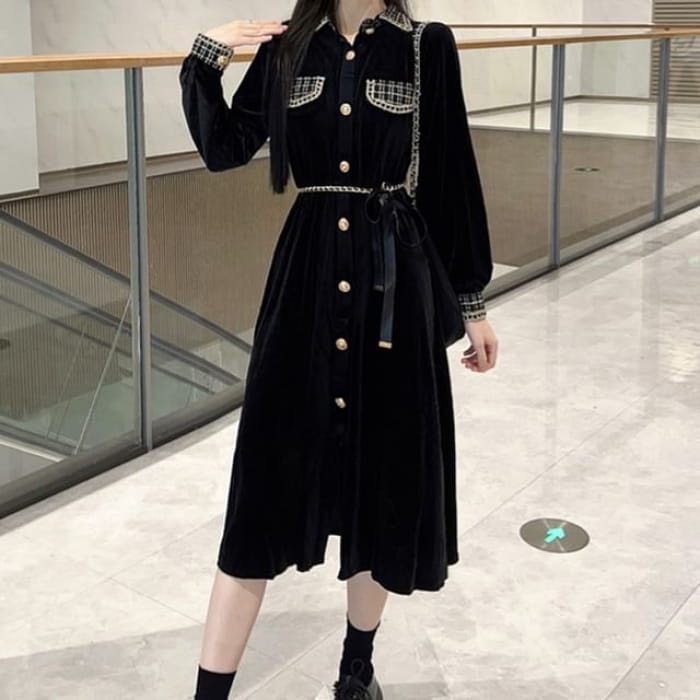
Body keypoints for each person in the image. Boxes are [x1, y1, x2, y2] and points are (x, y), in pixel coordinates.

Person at [179, 1, 498, 698]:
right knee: (264, 485)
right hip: (305, 287)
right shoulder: (289, 47)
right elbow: (226, 147)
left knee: (381, 486)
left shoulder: (425, 47)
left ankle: (357, 672)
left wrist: (470, 301)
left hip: (394, 291)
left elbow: (450, 175)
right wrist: (206, 57)